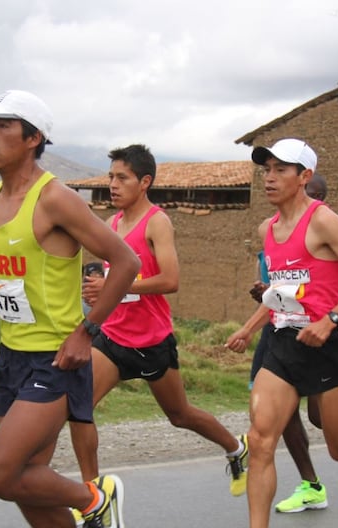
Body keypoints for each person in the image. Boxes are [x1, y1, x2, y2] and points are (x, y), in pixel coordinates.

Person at [0, 90, 140, 528]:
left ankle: (95, 498)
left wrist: (85, 332)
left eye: (2, 126)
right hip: (11, 358)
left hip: (57, 358)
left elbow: (127, 262)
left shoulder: (55, 200)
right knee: (28, 485)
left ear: (33, 138)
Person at [68, 145, 248, 503]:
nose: (113, 185)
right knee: (79, 407)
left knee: (180, 416)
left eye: (122, 178)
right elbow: (108, 275)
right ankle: (94, 496)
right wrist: (98, 291)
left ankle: (235, 448)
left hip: (151, 342)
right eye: (110, 177)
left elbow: (170, 280)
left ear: (144, 181)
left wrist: (116, 285)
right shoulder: (113, 223)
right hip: (113, 338)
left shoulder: (157, 222)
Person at [224, 138, 338, 528]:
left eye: (280, 170)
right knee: (260, 441)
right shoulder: (269, 229)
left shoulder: (324, 220)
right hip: (281, 344)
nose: (269, 178)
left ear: (304, 176)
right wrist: (248, 328)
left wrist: (331, 319)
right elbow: (279, 293)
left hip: (325, 344)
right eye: (266, 170)